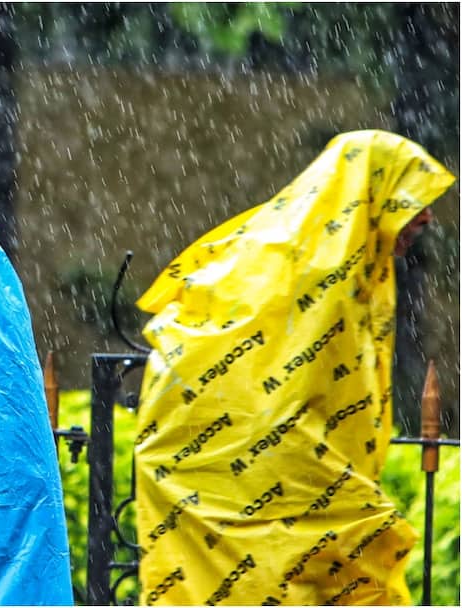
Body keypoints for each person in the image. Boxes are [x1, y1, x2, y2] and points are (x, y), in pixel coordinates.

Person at [131, 130, 455, 606]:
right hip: (241, 475)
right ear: (369, 192)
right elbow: (281, 388)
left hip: (240, 474)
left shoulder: (331, 254)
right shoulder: (322, 269)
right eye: (412, 199)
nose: (425, 216)